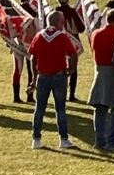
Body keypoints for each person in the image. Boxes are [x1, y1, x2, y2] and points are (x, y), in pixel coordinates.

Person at [28, 9, 80, 150]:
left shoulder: (39, 36)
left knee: (39, 109)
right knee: (60, 109)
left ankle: (36, 139)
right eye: (62, 21)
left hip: (43, 76)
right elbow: (73, 55)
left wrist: (34, 76)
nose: (63, 23)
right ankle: (63, 139)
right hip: (59, 76)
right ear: (57, 22)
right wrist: (71, 69)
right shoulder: (62, 37)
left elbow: (32, 57)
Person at [88, 9, 114, 150]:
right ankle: (112, 140)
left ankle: (99, 140)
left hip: (100, 72)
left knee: (100, 108)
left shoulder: (96, 33)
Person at [54, 0, 87, 100]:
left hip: (58, 41)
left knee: (60, 67)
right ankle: (71, 94)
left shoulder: (55, 11)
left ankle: (61, 93)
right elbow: (82, 28)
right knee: (73, 68)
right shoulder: (72, 12)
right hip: (73, 42)